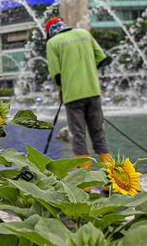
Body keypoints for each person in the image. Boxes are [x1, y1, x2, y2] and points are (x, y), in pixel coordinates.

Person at [44, 16, 111, 167]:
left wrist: (62, 90)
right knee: (99, 134)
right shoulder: (84, 34)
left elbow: (56, 75)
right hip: (93, 92)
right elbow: (103, 59)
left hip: (73, 97)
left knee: (79, 136)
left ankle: (86, 185)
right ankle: (110, 181)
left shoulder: (52, 43)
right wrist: (86, 72)